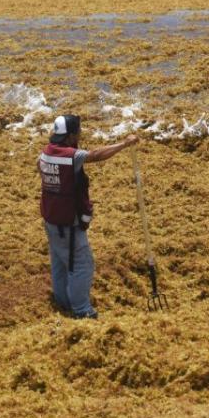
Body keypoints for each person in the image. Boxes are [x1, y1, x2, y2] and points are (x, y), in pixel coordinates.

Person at [38, 114, 139, 319]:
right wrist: (125, 144)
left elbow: (41, 170)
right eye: (78, 132)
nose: (80, 135)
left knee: (59, 262)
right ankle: (81, 310)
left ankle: (63, 302)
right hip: (68, 223)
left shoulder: (44, 154)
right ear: (70, 135)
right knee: (81, 264)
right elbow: (96, 155)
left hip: (51, 219)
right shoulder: (70, 156)